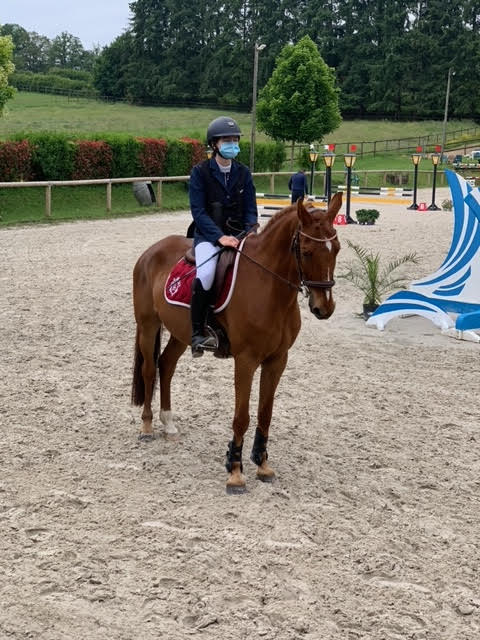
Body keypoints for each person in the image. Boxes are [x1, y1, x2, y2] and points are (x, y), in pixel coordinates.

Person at [188, 116, 258, 357]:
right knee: (206, 272)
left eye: (235, 139)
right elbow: (198, 212)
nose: (232, 144)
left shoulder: (243, 173)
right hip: (209, 236)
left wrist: (250, 231)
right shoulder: (200, 172)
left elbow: (251, 209)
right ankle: (197, 332)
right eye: (227, 140)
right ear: (214, 144)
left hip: (241, 236)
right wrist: (219, 237)